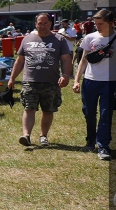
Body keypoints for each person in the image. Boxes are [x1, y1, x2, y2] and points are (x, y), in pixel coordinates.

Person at [7, 13, 74, 147]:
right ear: (35, 24)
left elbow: (66, 59)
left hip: (51, 81)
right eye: (40, 23)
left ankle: (43, 136)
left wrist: (66, 76)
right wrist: (12, 78)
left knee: (48, 110)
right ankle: (26, 135)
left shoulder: (59, 39)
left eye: (45, 23)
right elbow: (20, 61)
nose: (42, 26)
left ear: (50, 23)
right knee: (29, 108)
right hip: (30, 81)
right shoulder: (27, 39)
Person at [72, 10, 115, 159]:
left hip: (110, 83)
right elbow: (83, 60)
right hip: (90, 81)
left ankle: (103, 146)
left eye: (100, 24)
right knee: (89, 112)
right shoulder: (90, 38)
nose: (97, 27)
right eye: (96, 24)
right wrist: (77, 80)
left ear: (111, 23)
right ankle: (90, 140)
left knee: (105, 114)